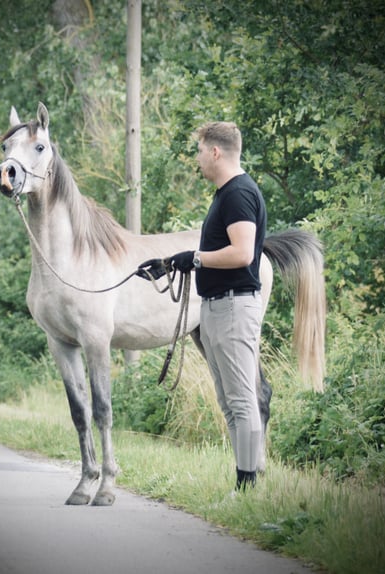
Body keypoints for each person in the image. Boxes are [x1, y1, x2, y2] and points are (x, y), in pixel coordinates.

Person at [169, 121, 267, 491]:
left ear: (215, 151)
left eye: (199, 151)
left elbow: (242, 253)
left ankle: (248, 488)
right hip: (216, 308)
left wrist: (196, 258)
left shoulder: (239, 193)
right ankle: (244, 480)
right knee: (229, 401)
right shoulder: (226, 194)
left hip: (233, 308)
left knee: (242, 400)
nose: (197, 159)